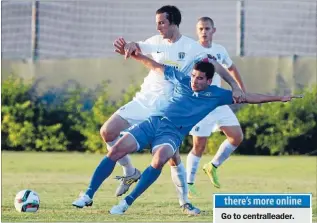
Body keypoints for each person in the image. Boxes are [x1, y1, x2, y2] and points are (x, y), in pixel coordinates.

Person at [73, 41, 300, 215]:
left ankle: (126, 203)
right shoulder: (181, 79)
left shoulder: (216, 95)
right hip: (153, 122)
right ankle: (88, 195)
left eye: (200, 78)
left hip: (172, 133)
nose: (194, 80)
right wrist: (136, 54)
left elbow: (251, 97)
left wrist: (279, 98)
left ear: (208, 81)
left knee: (160, 159)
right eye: (193, 76)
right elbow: (155, 65)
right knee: (115, 151)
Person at [97, 5, 244, 215]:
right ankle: (130, 171)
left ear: (173, 22)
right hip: (146, 102)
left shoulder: (193, 48)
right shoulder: (155, 41)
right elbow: (138, 46)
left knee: (173, 157)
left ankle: (185, 202)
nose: (158, 27)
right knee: (107, 132)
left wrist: (236, 87)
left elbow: (220, 66)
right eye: (156, 23)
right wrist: (129, 45)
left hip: (172, 108)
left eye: (161, 23)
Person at [186, 17, 246, 196]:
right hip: (201, 104)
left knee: (236, 137)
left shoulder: (219, 50)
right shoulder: (192, 50)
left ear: (214, 30)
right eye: (201, 29)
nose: (204, 31)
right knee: (199, 145)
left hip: (218, 102)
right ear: (197, 31)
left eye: (207, 28)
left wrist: (241, 89)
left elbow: (231, 67)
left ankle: (212, 166)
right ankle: (189, 183)